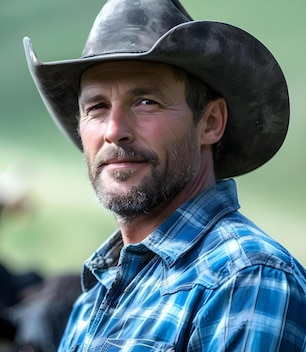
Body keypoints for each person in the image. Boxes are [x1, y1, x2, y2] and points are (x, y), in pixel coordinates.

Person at [22, 0, 306, 351]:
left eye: (146, 102)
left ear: (211, 122)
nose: (114, 131)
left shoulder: (246, 278)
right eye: (96, 107)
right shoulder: (88, 304)